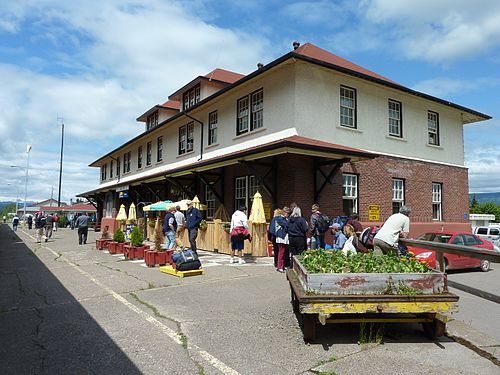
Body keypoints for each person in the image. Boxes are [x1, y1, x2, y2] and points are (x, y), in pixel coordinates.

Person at [273, 208, 289, 272]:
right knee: (281, 252)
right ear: (284, 213)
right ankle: (279, 266)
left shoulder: (284, 219)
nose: (288, 215)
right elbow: (286, 225)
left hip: (284, 237)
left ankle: (282, 265)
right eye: (287, 213)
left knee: (283, 252)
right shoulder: (280, 219)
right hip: (281, 237)